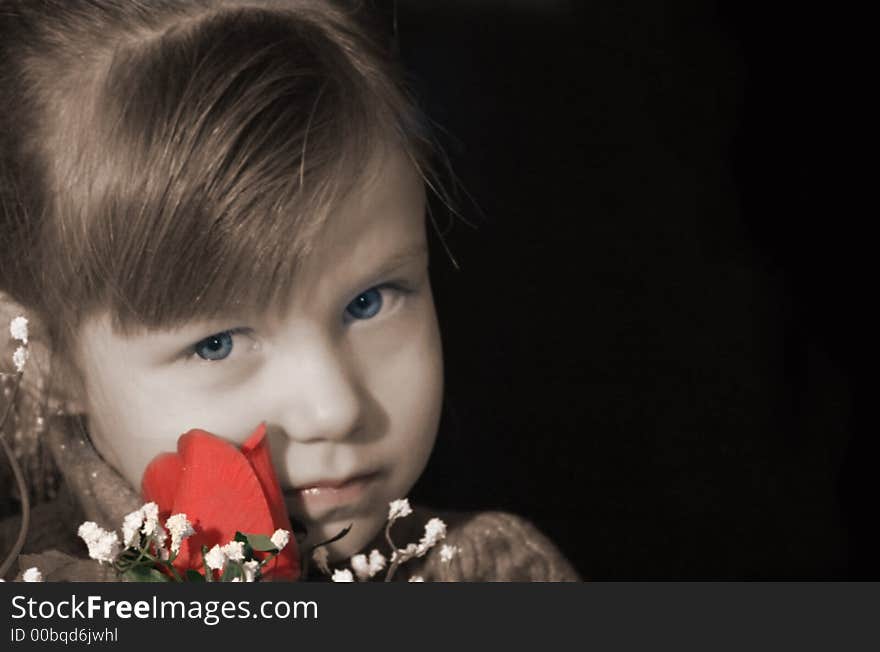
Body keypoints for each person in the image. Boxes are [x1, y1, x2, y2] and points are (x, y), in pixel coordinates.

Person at [0, 0, 579, 581]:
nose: (335, 408)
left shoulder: (494, 579)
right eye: (218, 343)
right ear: (46, 359)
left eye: (367, 302)